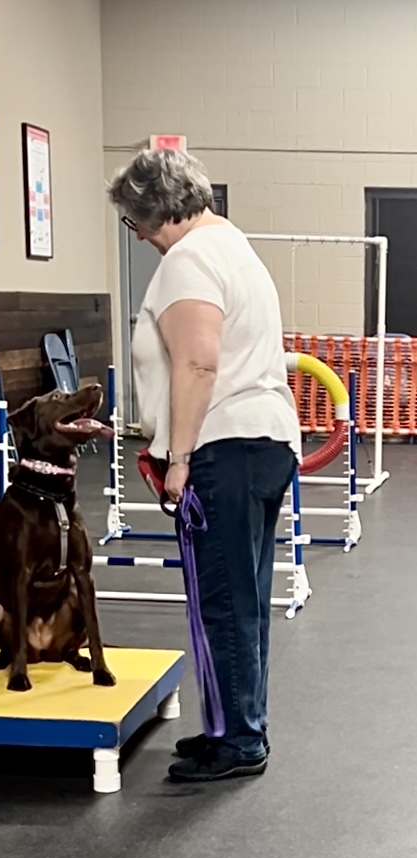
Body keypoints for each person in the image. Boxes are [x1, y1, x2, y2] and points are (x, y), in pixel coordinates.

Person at [107, 149, 302, 783]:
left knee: (222, 601)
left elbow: (197, 363)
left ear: (151, 209)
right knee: (241, 599)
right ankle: (235, 726)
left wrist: (179, 459)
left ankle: (239, 741)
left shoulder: (188, 258)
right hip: (263, 444)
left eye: (132, 218)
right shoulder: (232, 246)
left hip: (225, 448)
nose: (133, 231)